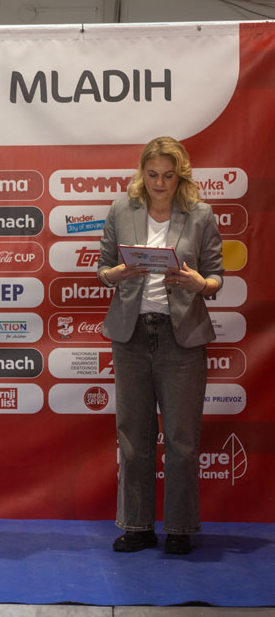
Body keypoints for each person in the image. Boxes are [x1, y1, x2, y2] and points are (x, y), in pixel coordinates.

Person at [96, 136, 223, 555]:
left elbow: (216, 276)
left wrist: (199, 283)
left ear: (180, 175)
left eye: (168, 175)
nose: (160, 183)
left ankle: (180, 529)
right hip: (131, 335)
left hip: (181, 337)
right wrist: (118, 274)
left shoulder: (200, 214)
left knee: (182, 439)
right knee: (133, 437)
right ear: (142, 173)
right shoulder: (121, 209)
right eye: (152, 174)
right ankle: (137, 526)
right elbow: (102, 270)